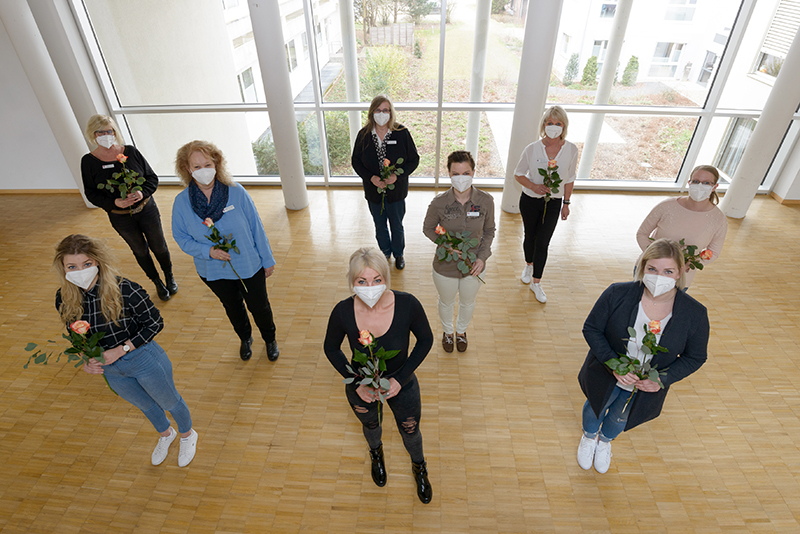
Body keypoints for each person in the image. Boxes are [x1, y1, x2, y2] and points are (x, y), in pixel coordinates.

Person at [54, 234, 197, 467]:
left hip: (143, 359)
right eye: (72, 266)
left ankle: (187, 435)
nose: (80, 271)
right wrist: (86, 359)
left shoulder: (125, 289)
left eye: (86, 264)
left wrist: (121, 350)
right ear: (63, 268)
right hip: (110, 368)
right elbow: (75, 334)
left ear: (98, 262)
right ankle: (166, 434)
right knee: (145, 405)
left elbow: (155, 323)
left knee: (169, 401)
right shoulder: (64, 298)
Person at [576, 238, 709, 474]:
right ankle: (588, 437)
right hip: (608, 374)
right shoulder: (617, 293)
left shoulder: (695, 313)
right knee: (595, 406)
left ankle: (604, 442)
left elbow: (695, 357)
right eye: (652, 269)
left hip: (643, 385)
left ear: (679, 272)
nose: (659, 277)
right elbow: (592, 329)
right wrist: (613, 364)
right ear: (642, 267)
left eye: (668, 271)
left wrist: (661, 379)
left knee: (620, 416)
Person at [323, 248, 434, 503]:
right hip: (362, 386)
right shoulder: (342, 311)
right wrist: (359, 383)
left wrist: (400, 379)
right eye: (362, 281)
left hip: (401, 382)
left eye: (377, 280)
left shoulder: (408, 304)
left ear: (386, 279)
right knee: (371, 425)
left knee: (410, 430)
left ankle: (419, 466)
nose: (369, 287)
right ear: (352, 282)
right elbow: (330, 348)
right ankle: (376, 453)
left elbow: (426, 340)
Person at [172, 140, 279, 362]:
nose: (203, 171)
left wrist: (267, 260)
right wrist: (207, 251)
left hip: (249, 265)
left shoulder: (236, 192)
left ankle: (269, 339)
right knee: (233, 307)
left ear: (217, 164)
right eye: (197, 166)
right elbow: (181, 237)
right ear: (187, 169)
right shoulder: (181, 203)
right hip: (212, 270)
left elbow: (255, 226)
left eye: (207, 164)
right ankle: (245, 337)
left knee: (259, 306)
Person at [80, 115, 177, 302]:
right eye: (101, 132)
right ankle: (157, 282)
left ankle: (169, 276)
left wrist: (143, 193)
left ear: (115, 132)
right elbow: (91, 193)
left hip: (146, 210)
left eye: (109, 131)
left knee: (159, 246)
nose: (106, 135)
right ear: (93, 135)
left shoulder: (131, 152)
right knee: (140, 251)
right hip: (121, 217)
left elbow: (151, 178)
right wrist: (113, 203)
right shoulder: (88, 161)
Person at [422, 150, 496, 353]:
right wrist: (445, 244)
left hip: (474, 265)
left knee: (467, 301)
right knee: (446, 302)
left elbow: (489, 231)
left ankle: (461, 332)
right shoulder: (439, 203)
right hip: (444, 266)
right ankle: (447, 332)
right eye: (456, 173)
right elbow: (428, 228)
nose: (461, 178)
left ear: (473, 172)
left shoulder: (486, 201)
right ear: (449, 173)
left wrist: (482, 258)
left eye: (466, 173)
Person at [513, 105, 578, 303]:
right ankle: (528, 264)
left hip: (554, 202)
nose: (554, 127)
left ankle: (536, 282)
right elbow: (518, 174)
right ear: (544, 125)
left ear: (564, 126)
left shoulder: (571, 149)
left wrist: (566, 203)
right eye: (550, 123)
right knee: (530, 236)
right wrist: (534, 185)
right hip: (530, 201)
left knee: (543, 241)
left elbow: (569, 178)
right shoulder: (532, 149)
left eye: (558, 123)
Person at [351, 95, 420, 270]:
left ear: (391, 112)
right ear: (372, 112)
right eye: (378, 110)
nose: (382, 114)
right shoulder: (364, 135)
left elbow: (414, 160)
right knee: (380, 225)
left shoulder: (401, 133)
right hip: (374, 192)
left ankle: (398, 254)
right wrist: (371, 178)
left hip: (396, 192)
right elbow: (356, 161)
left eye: (386, 110)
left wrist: (397, 176)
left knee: (396, 225)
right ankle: (385, 253)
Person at [636, 165, 728, 289]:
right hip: (649, 270)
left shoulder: (719, 220)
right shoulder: (666, 206)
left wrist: (693, 263)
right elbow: (642, 233)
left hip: (680, 279)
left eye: (706, 183)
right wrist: (653, 256)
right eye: (696, 181)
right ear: (689, 183)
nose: (700, 186)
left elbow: (714, 252)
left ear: (714, 187)